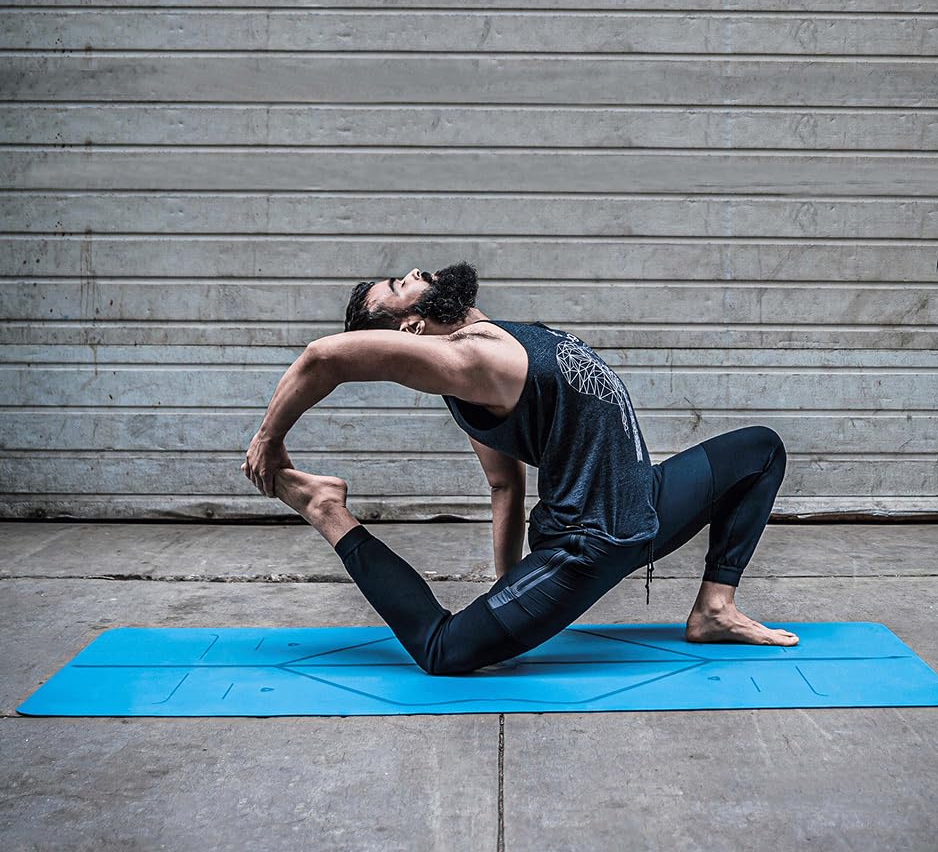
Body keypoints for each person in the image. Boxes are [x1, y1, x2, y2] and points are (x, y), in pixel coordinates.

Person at [242, 261, 798, 676]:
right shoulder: (470, 360)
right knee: (442, 651)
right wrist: (269, 439)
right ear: (408, 327)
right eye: (397, 285)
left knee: (760, 450)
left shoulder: (487, 352)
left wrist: (506, 585)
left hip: (642, 505)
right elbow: (323, 356)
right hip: (589, 544)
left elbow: (504, 485)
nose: (412, 272)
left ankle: (715, 608)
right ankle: (326, 508)